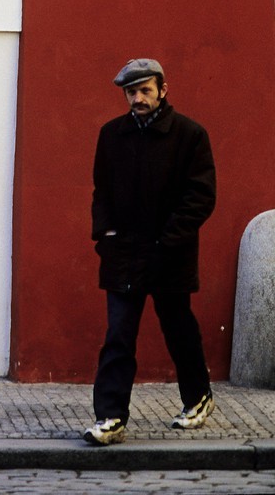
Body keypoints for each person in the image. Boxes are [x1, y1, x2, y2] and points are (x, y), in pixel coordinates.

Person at [84, 57, 216, 446]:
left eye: (145, 90)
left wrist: (168, 241)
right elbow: (101, 192)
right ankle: (110, 418)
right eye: (131, 92)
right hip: (123, 252)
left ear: (163, 89)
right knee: (118, 334)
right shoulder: (112, 135)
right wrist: (105, 235)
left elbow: (201, 197)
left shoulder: (190, 135)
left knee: (178, 330)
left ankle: (198, 397)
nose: (138, 98)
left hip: (169, 253)